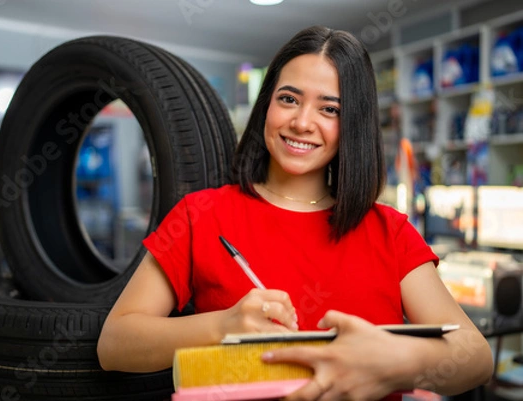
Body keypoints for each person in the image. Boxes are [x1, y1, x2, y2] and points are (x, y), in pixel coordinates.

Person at [97, 25, 493, 400]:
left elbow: (475, 356)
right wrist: (221, 326)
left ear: (352, 124)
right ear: (267, 104)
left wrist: (398, 362)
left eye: (330, 109)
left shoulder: (389, 231)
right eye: (289, 98)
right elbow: (114, 345)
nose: (302, 122)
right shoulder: (201, 215)